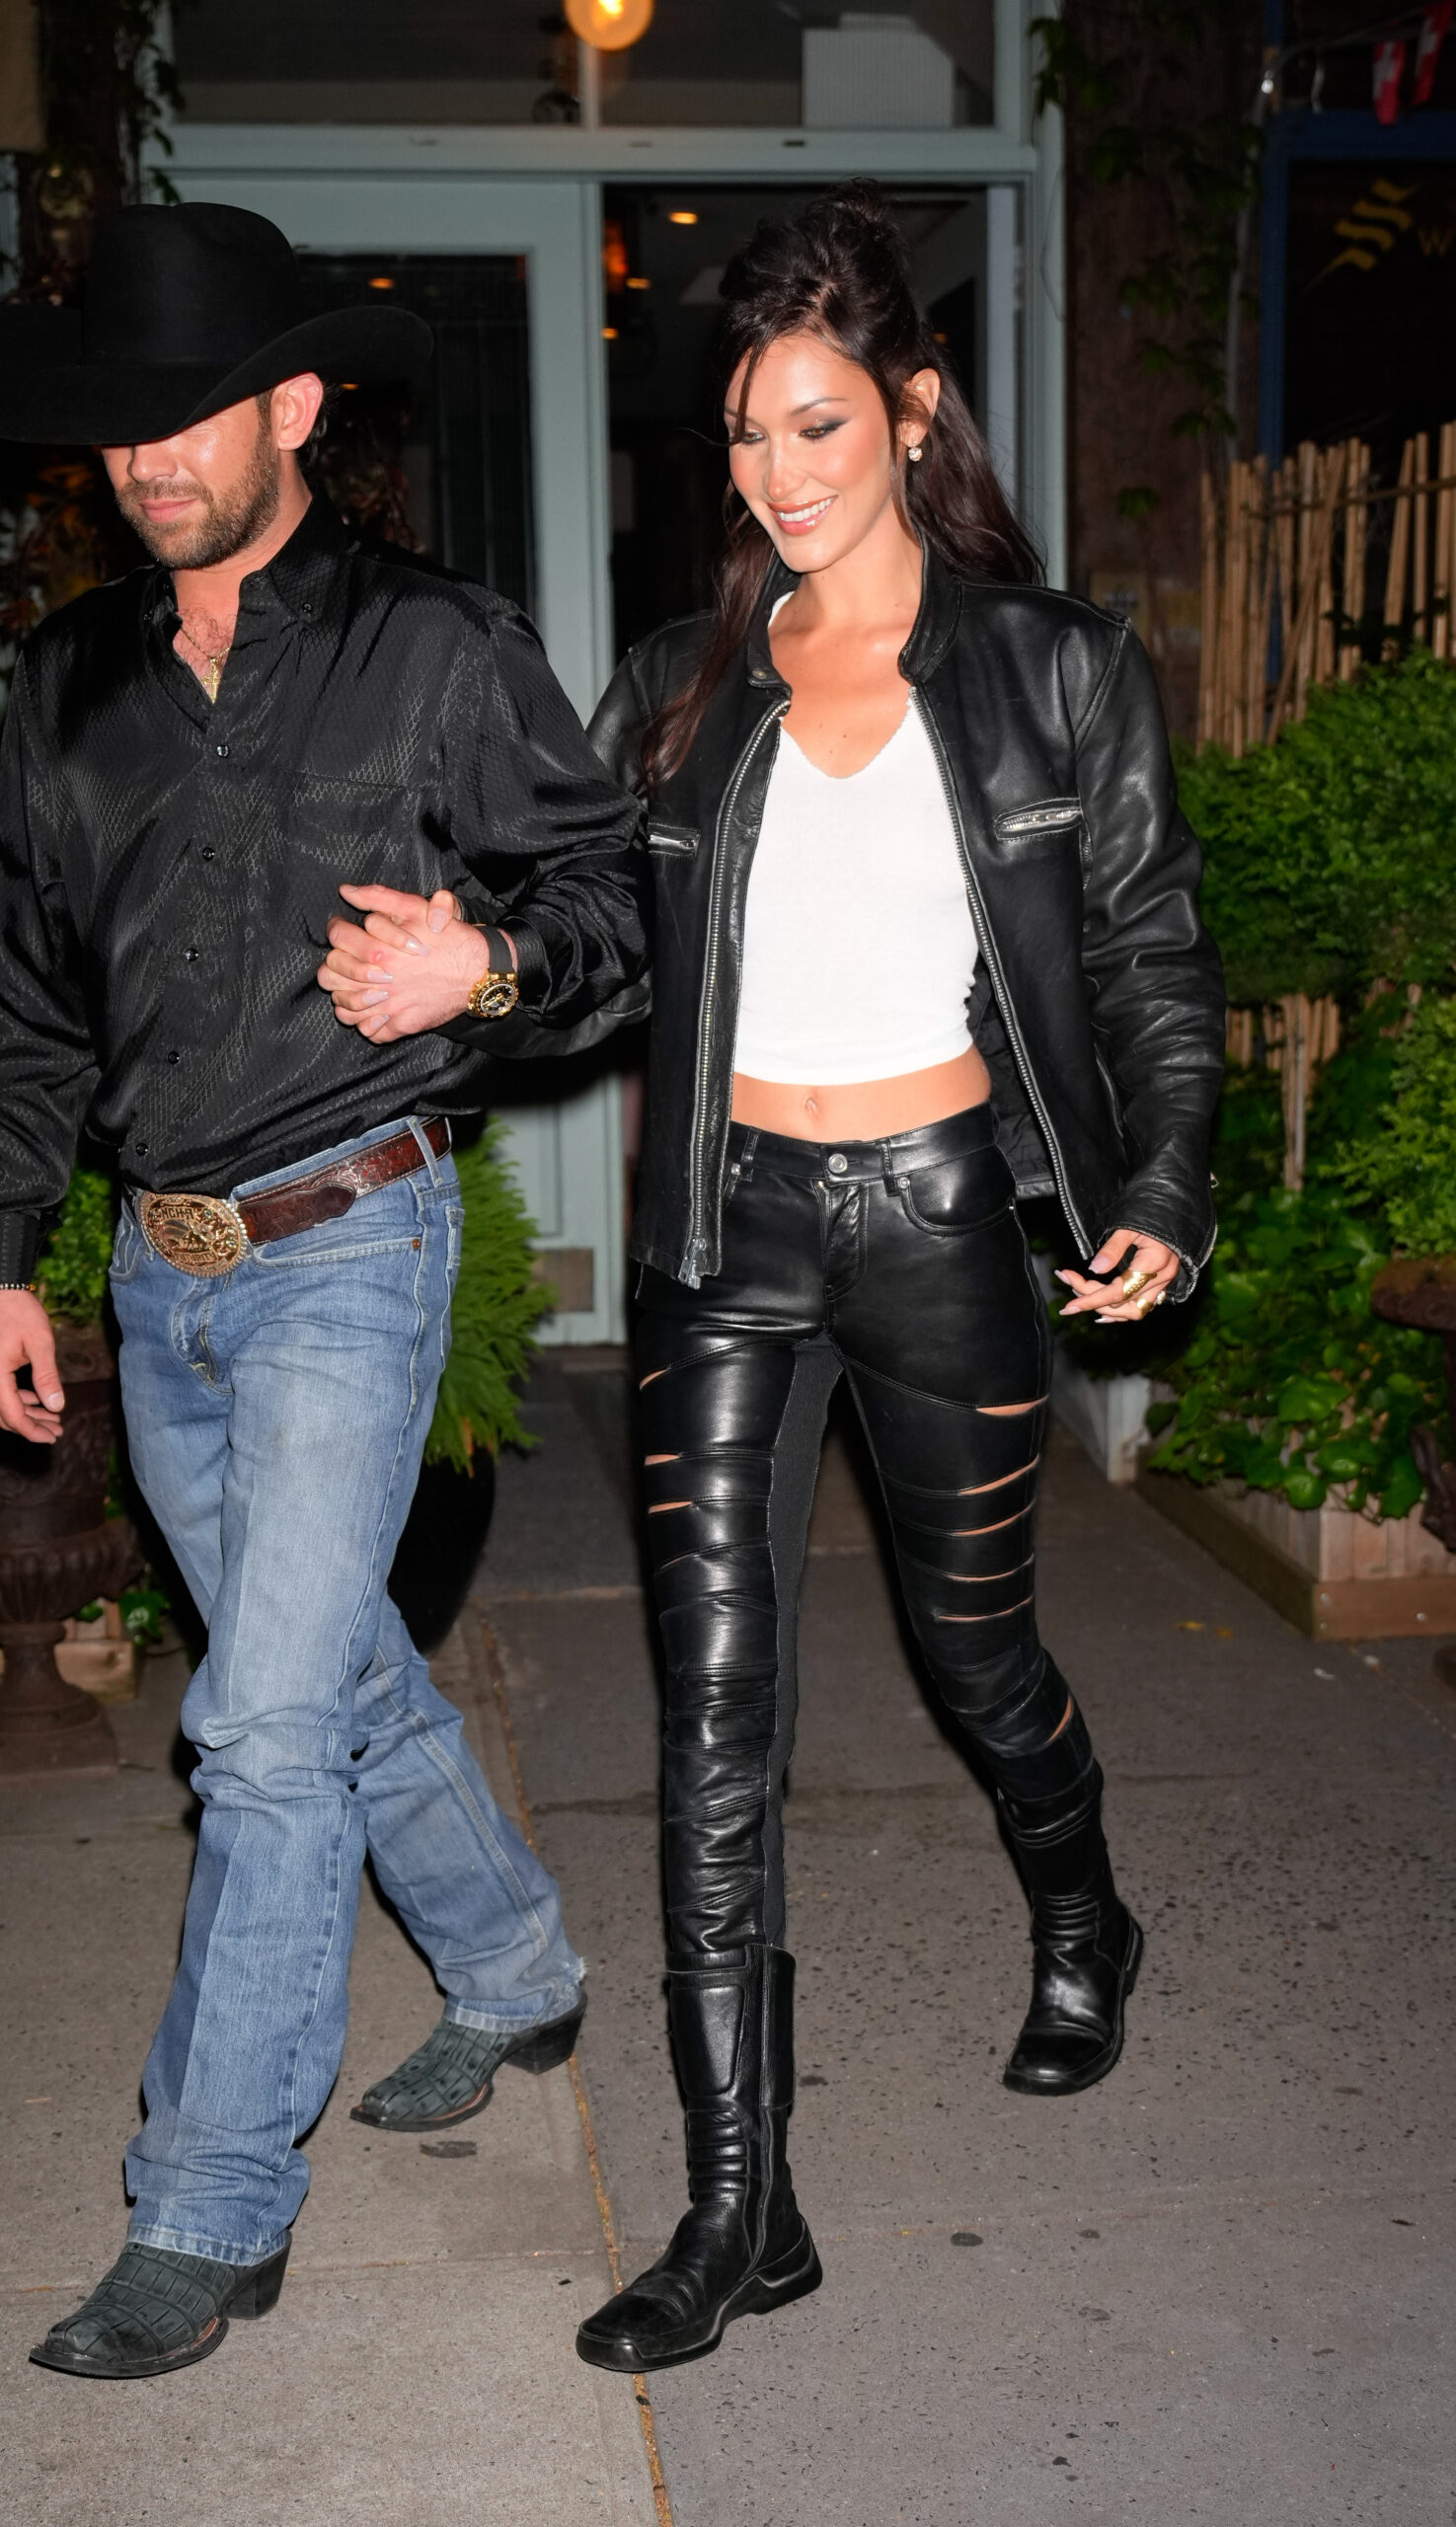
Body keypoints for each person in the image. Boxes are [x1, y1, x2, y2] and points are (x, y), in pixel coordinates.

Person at [321, 185, 1224, 2376]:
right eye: (743, 434)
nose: (775, 472)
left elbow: (1146, 958)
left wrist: (1170, 1183)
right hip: (727, 1237)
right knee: (709, 1716)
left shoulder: (1050, 672)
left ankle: (1082, 1896)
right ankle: (744, 2205)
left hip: (933, 1219)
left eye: (814, 423)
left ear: (907, 410)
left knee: (974, 1647)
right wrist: (495, 957)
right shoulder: (687, 679)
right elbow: (612, 948)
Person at [0, 202, 647, 2381]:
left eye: (185, 416)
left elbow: (614, 889)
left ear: (292, 408)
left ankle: (209, 2203)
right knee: (333, 1680)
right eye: (117, 431)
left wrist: (495, 962)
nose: (145, 460)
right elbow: (14, 1004)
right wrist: (3, 1255)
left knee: (253, 1729)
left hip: (357, 1236)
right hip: (157, 1287)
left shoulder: (436, 646)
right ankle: (520, 1968)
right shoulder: (70, 681)